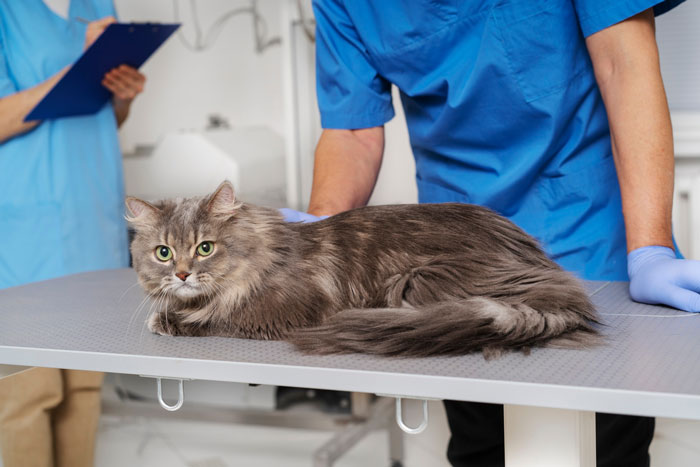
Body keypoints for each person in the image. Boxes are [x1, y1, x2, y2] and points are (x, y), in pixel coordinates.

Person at [282, 0, 699, 465]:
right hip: (454, 257)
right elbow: (352, 132)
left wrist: (650, 249)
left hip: (586, 219)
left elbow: (626, 65)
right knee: (481, 447)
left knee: (603, 447)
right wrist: (320, 234)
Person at [0, 1, 145, 466]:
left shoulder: (98, 4)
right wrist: (79, 69)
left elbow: (105, 117)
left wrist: (122, 95)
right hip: (24, 233)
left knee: (84, 391)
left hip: (93, 218)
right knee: (26, 395)